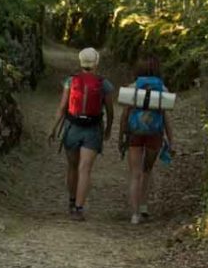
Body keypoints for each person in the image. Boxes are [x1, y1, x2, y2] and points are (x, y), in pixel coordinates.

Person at [51, 47, 115, 221]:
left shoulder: (70, 81)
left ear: (80, 62)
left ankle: (72, 201)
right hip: (93, 130)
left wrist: (54, 128)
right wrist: (108, 128)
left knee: (72, 167)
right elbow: (110, 110)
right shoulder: (104, 84)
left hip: (72, 127)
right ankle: (79, 209)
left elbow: (62, 107)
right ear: (96, 62)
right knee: (85, 169)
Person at [118, 56, 176, 225]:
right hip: (155, 134)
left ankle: (134, 214)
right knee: (147, 171)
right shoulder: (162, 89)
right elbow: (165, 117)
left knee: (135, 174)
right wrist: (171, 140)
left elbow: (125, 115)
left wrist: (121, 136)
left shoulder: (133, 88)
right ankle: (144, 207)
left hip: (135, 133)